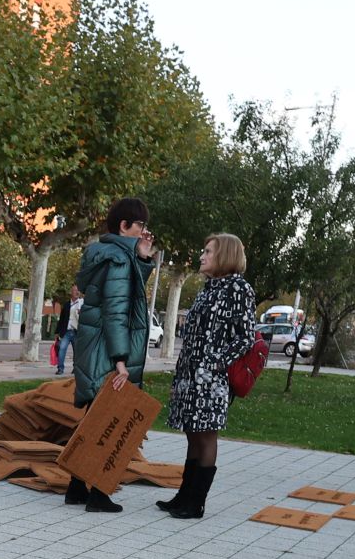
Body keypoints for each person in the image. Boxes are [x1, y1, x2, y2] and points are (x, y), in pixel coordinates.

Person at [159, 234, 255, 520]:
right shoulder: (208, 288)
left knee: (206, 434)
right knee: (191, 432)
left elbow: (246, 338)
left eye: (208, 251)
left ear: (224, 255)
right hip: (190, 373)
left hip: (211, 378)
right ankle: (183, 496)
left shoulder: (239, 289)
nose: (202, 256)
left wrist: (214, 364)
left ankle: (196, 502)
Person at [68, 197, 156, 513]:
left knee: (93, 418)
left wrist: (143, 260)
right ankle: (98, 494)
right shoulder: (118, 259)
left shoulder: (108, 255)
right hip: (108, 351)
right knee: (108, 422)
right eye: (140, 225)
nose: (145, 232)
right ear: (124, 226)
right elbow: (117, 310)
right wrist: (121, 360)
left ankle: (77, 488)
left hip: (94, 348)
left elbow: (125, 293)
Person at [56, 286, 82, 376]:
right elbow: (62, 319)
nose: (77, 292)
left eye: (78, 290)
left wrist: (81, 313)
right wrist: (57, 331)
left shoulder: (82, 303)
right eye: (75, 290)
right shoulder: (67, 305)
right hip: (67, 331)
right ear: (71, 292)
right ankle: (60, 368)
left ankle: (76, 368)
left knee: (77, 351)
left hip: (76, 331)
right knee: (62, 349)